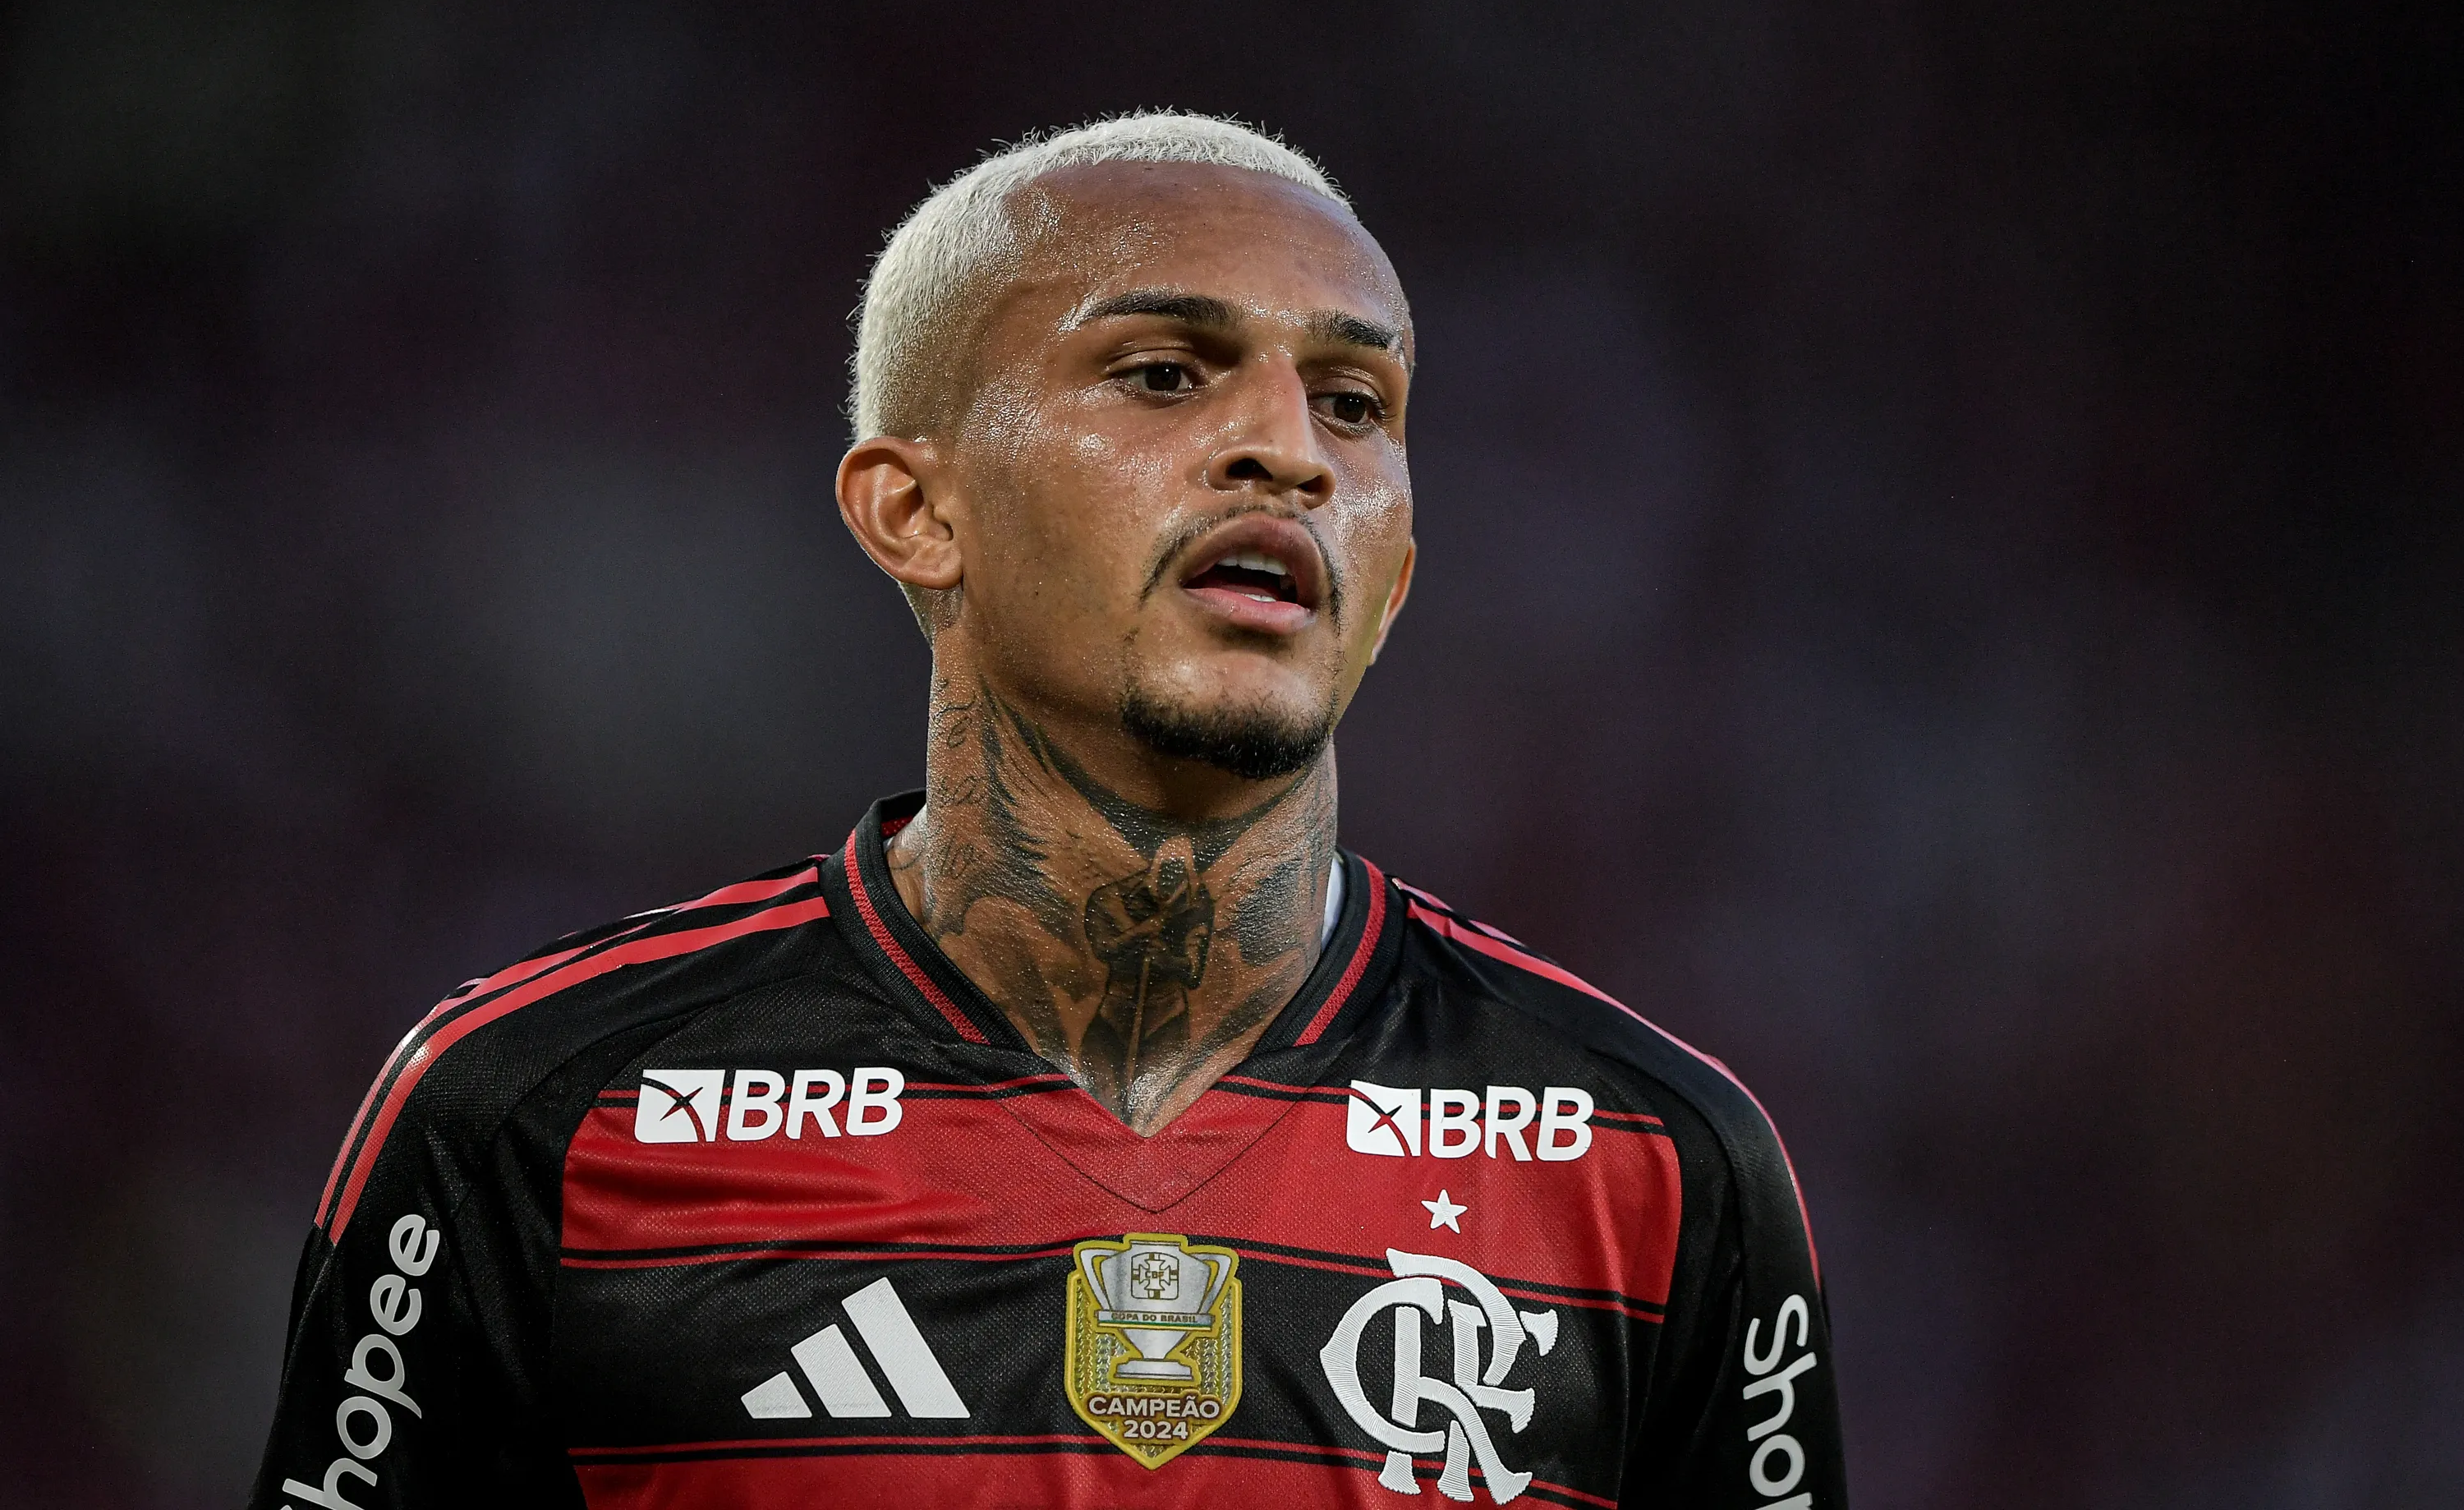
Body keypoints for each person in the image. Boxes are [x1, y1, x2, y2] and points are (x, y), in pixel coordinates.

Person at [251, 113, 1847, 1509]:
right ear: (917, 510)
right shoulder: (536, 1114)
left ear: (1397, 577)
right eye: (1165, 372)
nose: (1289, 450)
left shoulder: (1655, 1161)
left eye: (1356, 403)